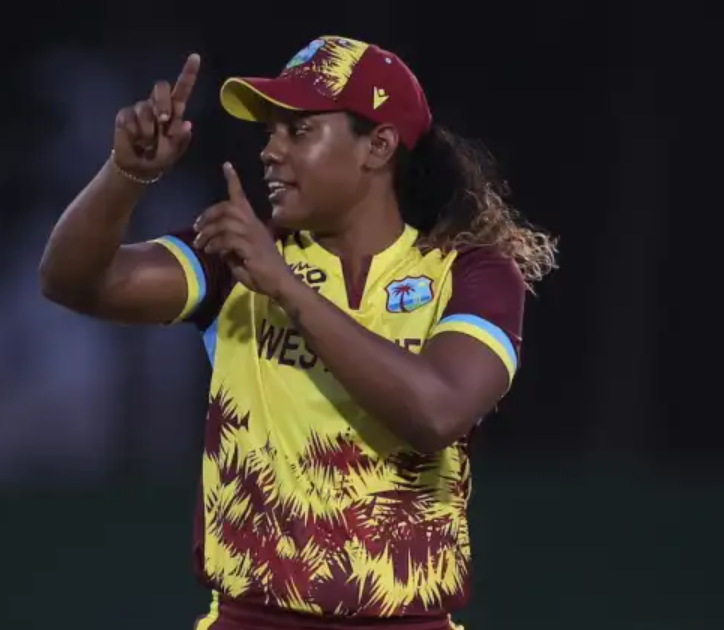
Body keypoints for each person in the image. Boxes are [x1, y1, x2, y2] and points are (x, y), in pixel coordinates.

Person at [39, 35, 557, 630]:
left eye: (300, 130)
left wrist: (286, 288)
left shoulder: (470, 273)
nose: (270, 151)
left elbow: (438, 411)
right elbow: (71, 282)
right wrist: (125, 174)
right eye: (270, 132)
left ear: (378, 145)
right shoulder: (235, 259)